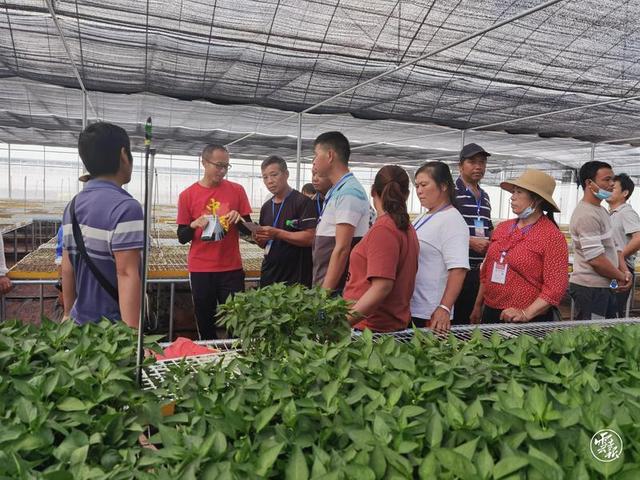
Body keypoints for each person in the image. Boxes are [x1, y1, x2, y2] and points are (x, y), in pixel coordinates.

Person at [61, 122, 143, 327]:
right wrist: (131, 334)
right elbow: (126, 273)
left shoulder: (72, 206)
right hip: (112, 330)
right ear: (124, 155)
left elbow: (67, 267)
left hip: (80, 323)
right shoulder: (126, 207)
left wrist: (67, 313)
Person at [470, 169, 568, 323]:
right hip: (491, 311)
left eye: (519, 192)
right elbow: (487, 270)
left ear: (536, 200)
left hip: (526, 320)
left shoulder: (551, 236)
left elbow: (555, 288)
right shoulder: (503, 228)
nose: (512, 197)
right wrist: (477, 305)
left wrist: (525, 313)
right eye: (513, 192)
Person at [177, 144, 252, 339]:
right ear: (203, 162)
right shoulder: (187, 195)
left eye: (226, 166)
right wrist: (193, 225)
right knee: (205, 320)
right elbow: (181, 237)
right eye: (218, 165)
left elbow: (248, 231)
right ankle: (209, 358)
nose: (222, 171)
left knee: (237, 321)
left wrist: (240, 219)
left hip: (231, 268)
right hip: (202, 269)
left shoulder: (237, 190)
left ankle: (235, 359)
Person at [344, 165, 419, 332]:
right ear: (406, 195)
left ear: (372, 191)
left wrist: (342, 324)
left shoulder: (384, 229)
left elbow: (382, 286)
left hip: (371, 330)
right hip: (387, 326)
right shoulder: (405, 227)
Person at [410, 162, 469, 332]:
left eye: (424, 185)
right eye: (417, 186)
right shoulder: (423, 216)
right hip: (413, 306)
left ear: (443, 186)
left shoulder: (452, 220)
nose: (419, 191)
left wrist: (444, 307)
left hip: (429, 312)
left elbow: (458, 269)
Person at [569, 161, 631, 320]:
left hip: (605, 285)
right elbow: (596, 260)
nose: (612, 184)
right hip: (590, 288)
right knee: (592, 336)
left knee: (608, 330)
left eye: (613, 180)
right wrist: (620, 276)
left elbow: (615, 247)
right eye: (606, 180)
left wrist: (624, 272)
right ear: (590, 183)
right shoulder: (586, 214)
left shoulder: (601, 210)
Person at [312, 132, 370, 292]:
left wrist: (324, 295)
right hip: (328, 285)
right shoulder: (337, 190)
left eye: (316, 155)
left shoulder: (349, 192)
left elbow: (342, 248)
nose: (314, 161)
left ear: (330, 155)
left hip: (336, 291)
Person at [254, 155, 316, 287]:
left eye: (274, 175)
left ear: (286, 174)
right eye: (265, 177)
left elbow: (311, 238)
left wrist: (277, 233)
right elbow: (265, 244)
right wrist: (260, 239)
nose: (269, 181)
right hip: (269, 274)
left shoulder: (302, 202)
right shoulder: (266, 207)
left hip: (295, 278)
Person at [453, 143, 493, 324]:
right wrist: (469, 242)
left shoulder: (484, 196)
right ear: (460, 166)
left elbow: (488, 226)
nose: (478, 166)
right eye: (472, 162)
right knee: (455, 319)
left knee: (471, 318)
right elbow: (443, 228)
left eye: (482, 162)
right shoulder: (451, 193)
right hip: (456, 268)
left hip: (478, 271)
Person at [607, 173, 640, 317]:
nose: (608, 190)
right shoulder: (611, 213)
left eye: (613, 188)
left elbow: (638, 238)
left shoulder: (626, 212)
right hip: (612, 269)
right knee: (607, 308)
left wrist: (621, 256)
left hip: (621, 272)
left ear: (625, 193)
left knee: (613, 308)